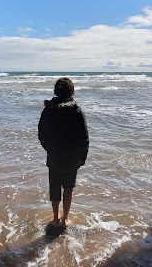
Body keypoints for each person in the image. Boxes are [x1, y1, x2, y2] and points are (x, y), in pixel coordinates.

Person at [38, 77, 89, 228]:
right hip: (72, 157)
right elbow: (84, 137)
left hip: (54, 156)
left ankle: (55, 219)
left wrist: (49, 148)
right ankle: (65, 219)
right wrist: (82, 156)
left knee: (54, 188)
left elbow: (41, 133)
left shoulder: (48, 110)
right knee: (68, 188)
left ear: (55, 91)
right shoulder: (76, 110)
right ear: (71, 91)